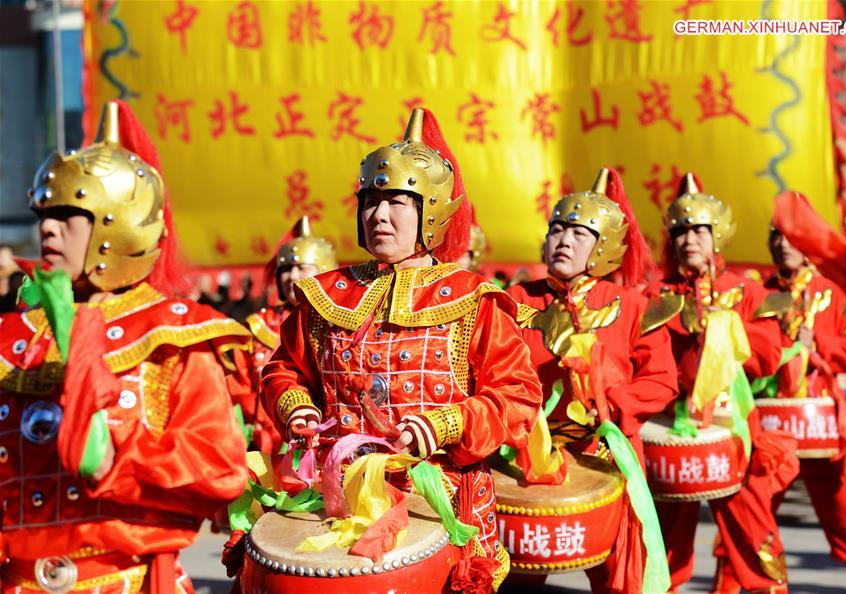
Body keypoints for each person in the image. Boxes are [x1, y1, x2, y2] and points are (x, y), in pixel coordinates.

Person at [260, 107, 542, 591]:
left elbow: (517, 397)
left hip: (441, 501)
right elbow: (282, 370)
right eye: (371, 200)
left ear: (429, 213)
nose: (379, 215)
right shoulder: (326, 294)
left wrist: (445, 422)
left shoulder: (474, 299)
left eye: (398, 203)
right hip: (335, 498)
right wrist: (297, 410)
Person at [0, 100, 249, 593]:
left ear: (116, 224)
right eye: (46, 212)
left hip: (128, 580)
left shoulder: (176, 337)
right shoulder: (11, 338)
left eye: (70, 213)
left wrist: (114, 454)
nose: (48, 227)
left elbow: (218, 467)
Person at [506, 167, 679, 593]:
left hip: (608, 452)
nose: (563, 241)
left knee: (622, 580)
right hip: (530, 459)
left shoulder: (632, 305)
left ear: (601, 248)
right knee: (516, 575)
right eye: (557, 230)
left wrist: (609, 399)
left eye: (578, 234)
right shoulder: (515, 301)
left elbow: (661, 381)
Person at [645, 172, 795, 594]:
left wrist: (726, 330)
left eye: (698, 230)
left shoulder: (743, 291)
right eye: (680, 231)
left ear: (717, 237)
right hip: (671, 434)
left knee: (755, 539)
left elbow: (766, 359)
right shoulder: (656, 295)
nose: (689, 239)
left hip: (734, 434)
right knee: (664, 548)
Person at [749, 224, 846, 593]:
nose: (782, 244)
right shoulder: (759, 292)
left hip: (822, 427)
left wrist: (818, 343)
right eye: (774, 236)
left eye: (791, 236)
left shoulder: (833, 292)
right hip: (772, 429)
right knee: (750, 520)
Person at [242, 216, 337, 453]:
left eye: (302, 268)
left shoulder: (340, 323)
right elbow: (238, 388)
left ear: (324, 271)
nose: (292, 276)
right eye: (286, 269)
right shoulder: (257, 327)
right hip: (265, 445)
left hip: (325, 441)